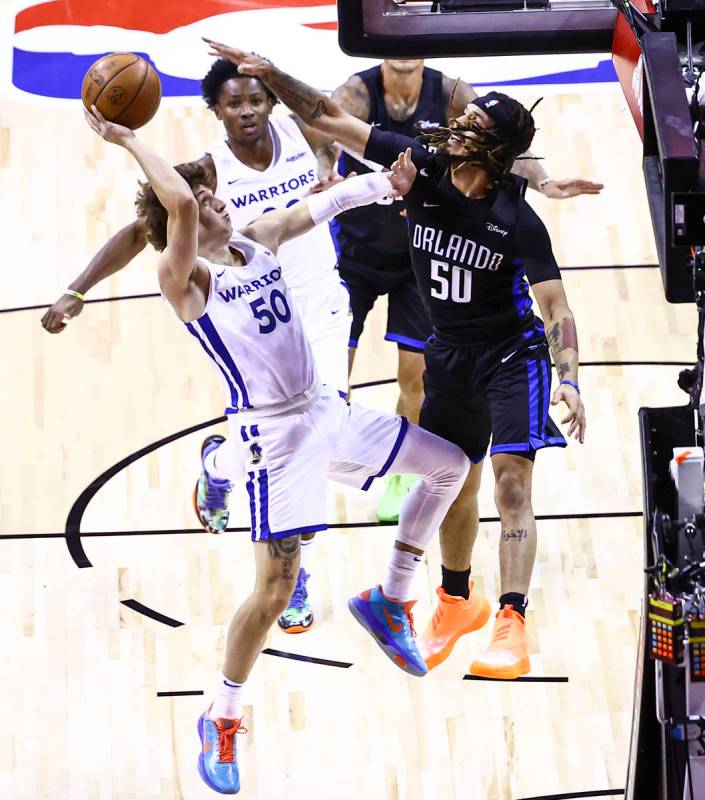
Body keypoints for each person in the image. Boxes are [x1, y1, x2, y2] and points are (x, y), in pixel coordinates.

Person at [84, 104, 471, 794]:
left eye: (211, 195)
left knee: (448, 466)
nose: (214, 202)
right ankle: (222, 715)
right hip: (275, 439)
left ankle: (391, 597)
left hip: (324, 410)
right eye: (203, 202)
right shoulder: (186, 281)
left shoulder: (254, 241)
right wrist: (129, 139)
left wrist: (388, 183)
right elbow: (172, 201)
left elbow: (315, 208)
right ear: (180, 227)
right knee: (275, 591)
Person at [201, 40, 587, 680]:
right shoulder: (431, 165)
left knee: (510, 481)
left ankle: (510, 622)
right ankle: (441, 597)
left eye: (475, 127)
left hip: (510, 353)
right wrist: (275, 73)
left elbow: (557, 308)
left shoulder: (517, 220)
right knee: (449, 471)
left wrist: (570, 379)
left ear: (492, 153)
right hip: (452, 349)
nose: (457, 126)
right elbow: (328, 114)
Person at [41, 58, 348, 635]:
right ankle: (288, 568)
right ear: (217, 111)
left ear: (271, 102)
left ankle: (219, 468)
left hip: (322, 310)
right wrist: (76, 288)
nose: (248, 111)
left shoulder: (305, 133)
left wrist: (332, 166)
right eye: (234, 103)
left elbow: (341, 124)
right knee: (285, 451)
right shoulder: (208, 171)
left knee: (320, 439)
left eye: (256, 100)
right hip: (252, 321)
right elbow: (143, 228)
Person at [331, 59, 602, 523]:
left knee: (413, 379)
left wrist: (543, 182)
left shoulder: (454, 95)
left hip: (429, 266)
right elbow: (327, 124)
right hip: (361, 253)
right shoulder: (361, 92)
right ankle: (318, 465)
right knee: (332, 385)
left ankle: (403, 477)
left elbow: (507, 147)